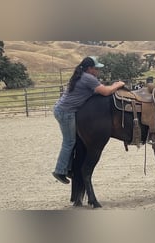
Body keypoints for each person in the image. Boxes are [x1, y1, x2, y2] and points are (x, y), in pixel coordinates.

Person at [52, 56, 125, 184]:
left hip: (63, 110)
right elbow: (106, 92)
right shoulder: (88, 78)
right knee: (69, 141)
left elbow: (96, 91)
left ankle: (67, 168)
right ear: (90, 69)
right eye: (97, 69)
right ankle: (60, 170)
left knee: (72, 141)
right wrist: (117, 85)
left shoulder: (81, 76)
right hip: (66, 112)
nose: (98, 71)